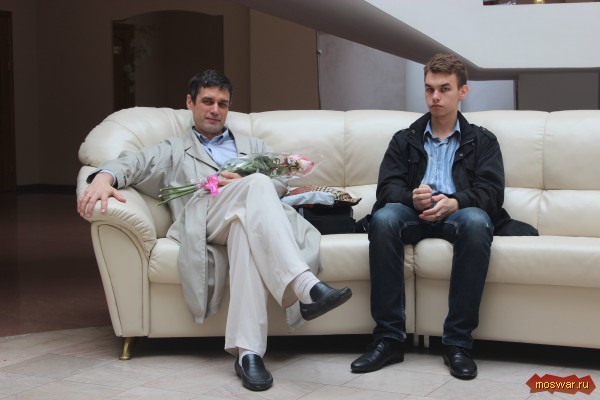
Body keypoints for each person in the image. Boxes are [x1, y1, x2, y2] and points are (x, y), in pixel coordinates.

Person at [77, 70, 352, 391]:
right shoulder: (174, 149)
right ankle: (304, 285)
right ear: (190, 103)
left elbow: (280, 182)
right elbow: (133, 163)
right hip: (203, 221)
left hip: (243, 219)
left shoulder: (253, 146)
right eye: (207, 101)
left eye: (223, 104)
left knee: (245, 230)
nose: (215, 110)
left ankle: (248, 354)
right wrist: (103, 177)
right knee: (257, 184)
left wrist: (247, 182)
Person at [350, 53, 507, 379]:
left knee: (477, 222)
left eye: (444, 89)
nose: (435, 96)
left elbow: (492, 194)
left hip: (458, 216)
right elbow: (386, 189)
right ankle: (389, 339)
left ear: (462, 91)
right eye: (429, 89)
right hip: (413, 214)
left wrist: (457, 202)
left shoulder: (483, 141)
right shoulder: (404, 139)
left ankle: (458, 343)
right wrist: (410, 197)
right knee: (384, 220)